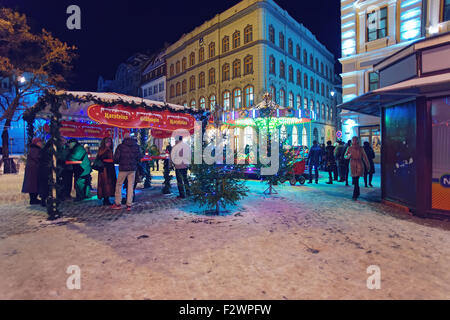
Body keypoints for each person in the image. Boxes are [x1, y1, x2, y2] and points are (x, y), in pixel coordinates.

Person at [112, 133, 142, 211]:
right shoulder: (136, 146)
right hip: (132, 169)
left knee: (119, 185)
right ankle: (129, 204)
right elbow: (139, 157)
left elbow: (116, 159)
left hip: (123, 169)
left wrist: (120, 162)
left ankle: (118, 203)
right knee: (130, 186)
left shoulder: (120, 147)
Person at [344, 136, 370, 201]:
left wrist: (368, 165)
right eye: (353, 140)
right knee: (355, 180)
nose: (355, 141)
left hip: (359, 164)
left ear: (358, 141)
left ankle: (355, 194)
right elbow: (345, 156)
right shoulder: (349, 148)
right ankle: (357, 192)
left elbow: (365, 157)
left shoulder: (361, 148)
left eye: (356, 140)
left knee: (356, 179)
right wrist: (348, 156)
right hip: (352, 164)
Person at [96, 137, 117, 206]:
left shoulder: (109, 149)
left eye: (110, 142)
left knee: (109, 183)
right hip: (104, 169)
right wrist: (106, 149)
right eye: (107, 142)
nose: (109, 143)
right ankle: (105, 198)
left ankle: (107, 198)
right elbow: (100, 156)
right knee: (105, 183)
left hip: (109, 168)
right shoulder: (103, 149)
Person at [22, 138, 43, 205]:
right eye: (40, 142)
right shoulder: (35, 149)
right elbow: (37, 158)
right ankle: (33, 200)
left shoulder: (33, 149)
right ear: (36, 143)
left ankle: (33, 199)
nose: (41, 144)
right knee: (33, 185)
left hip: (32, 170)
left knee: (33, 185)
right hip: (33, 170)